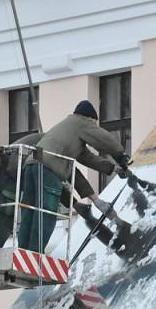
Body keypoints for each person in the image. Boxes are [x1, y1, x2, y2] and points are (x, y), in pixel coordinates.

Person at [13, 100, 129, 252]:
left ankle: (23, 251)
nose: (94, 127)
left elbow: (86, 157)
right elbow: (103, 139)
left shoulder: (66, 131)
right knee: (46, 213)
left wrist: (112, 168)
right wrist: (120, 155)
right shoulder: (82, 122)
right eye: (94, 123)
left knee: (30, 210)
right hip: (48, 169)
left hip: (30, 165)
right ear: (91, 119)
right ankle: (35, 253)